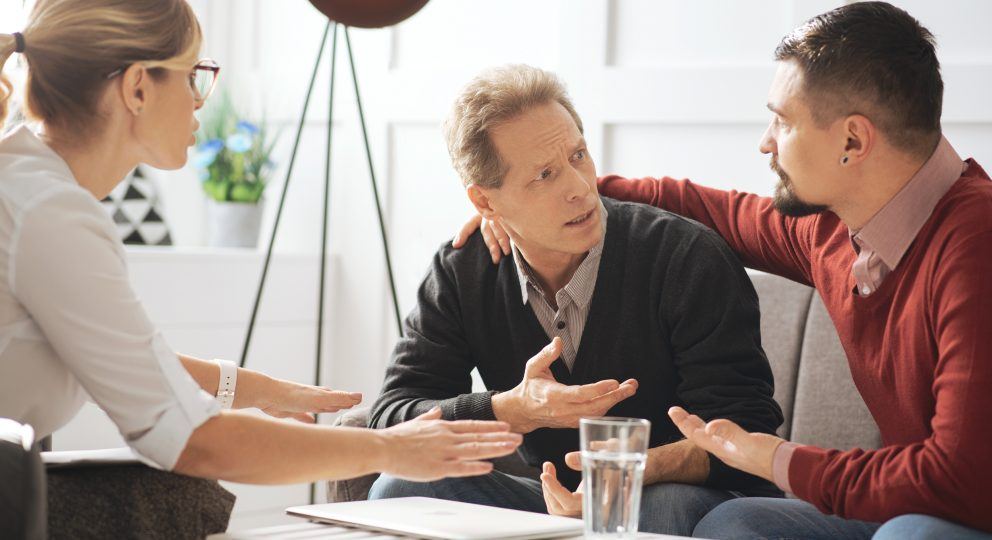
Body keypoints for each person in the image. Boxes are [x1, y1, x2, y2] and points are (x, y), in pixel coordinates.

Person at [461, 2, 992, 538]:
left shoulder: (977, 246)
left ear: (852, 141)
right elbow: (707, 208)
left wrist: (776, 458)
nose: (766, 141)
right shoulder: (832, 232)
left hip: (956, 512)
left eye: (783, 121)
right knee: (737, 523)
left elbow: (957, 480)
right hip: (899, 508)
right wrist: (528, 204)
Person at [0, 0, 521, 490]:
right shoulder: (52, 214)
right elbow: (192, 441)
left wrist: (260, 389)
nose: (199, 99)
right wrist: (391, 449)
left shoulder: (29, 187)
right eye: (192, 75)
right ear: (137, 88)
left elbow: (126, 359)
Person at [366, 64, 784, 537]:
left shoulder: (686, 256)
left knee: (654, 506)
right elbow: (392, 418)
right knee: (399, 488)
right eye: (544, 175)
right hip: (553, 504)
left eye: (578, 155)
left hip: (682, 500)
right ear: (485, 203)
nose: (581, 187)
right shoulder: (463, 271)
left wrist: (625, 472)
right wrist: (512, 409)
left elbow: (748, 430)